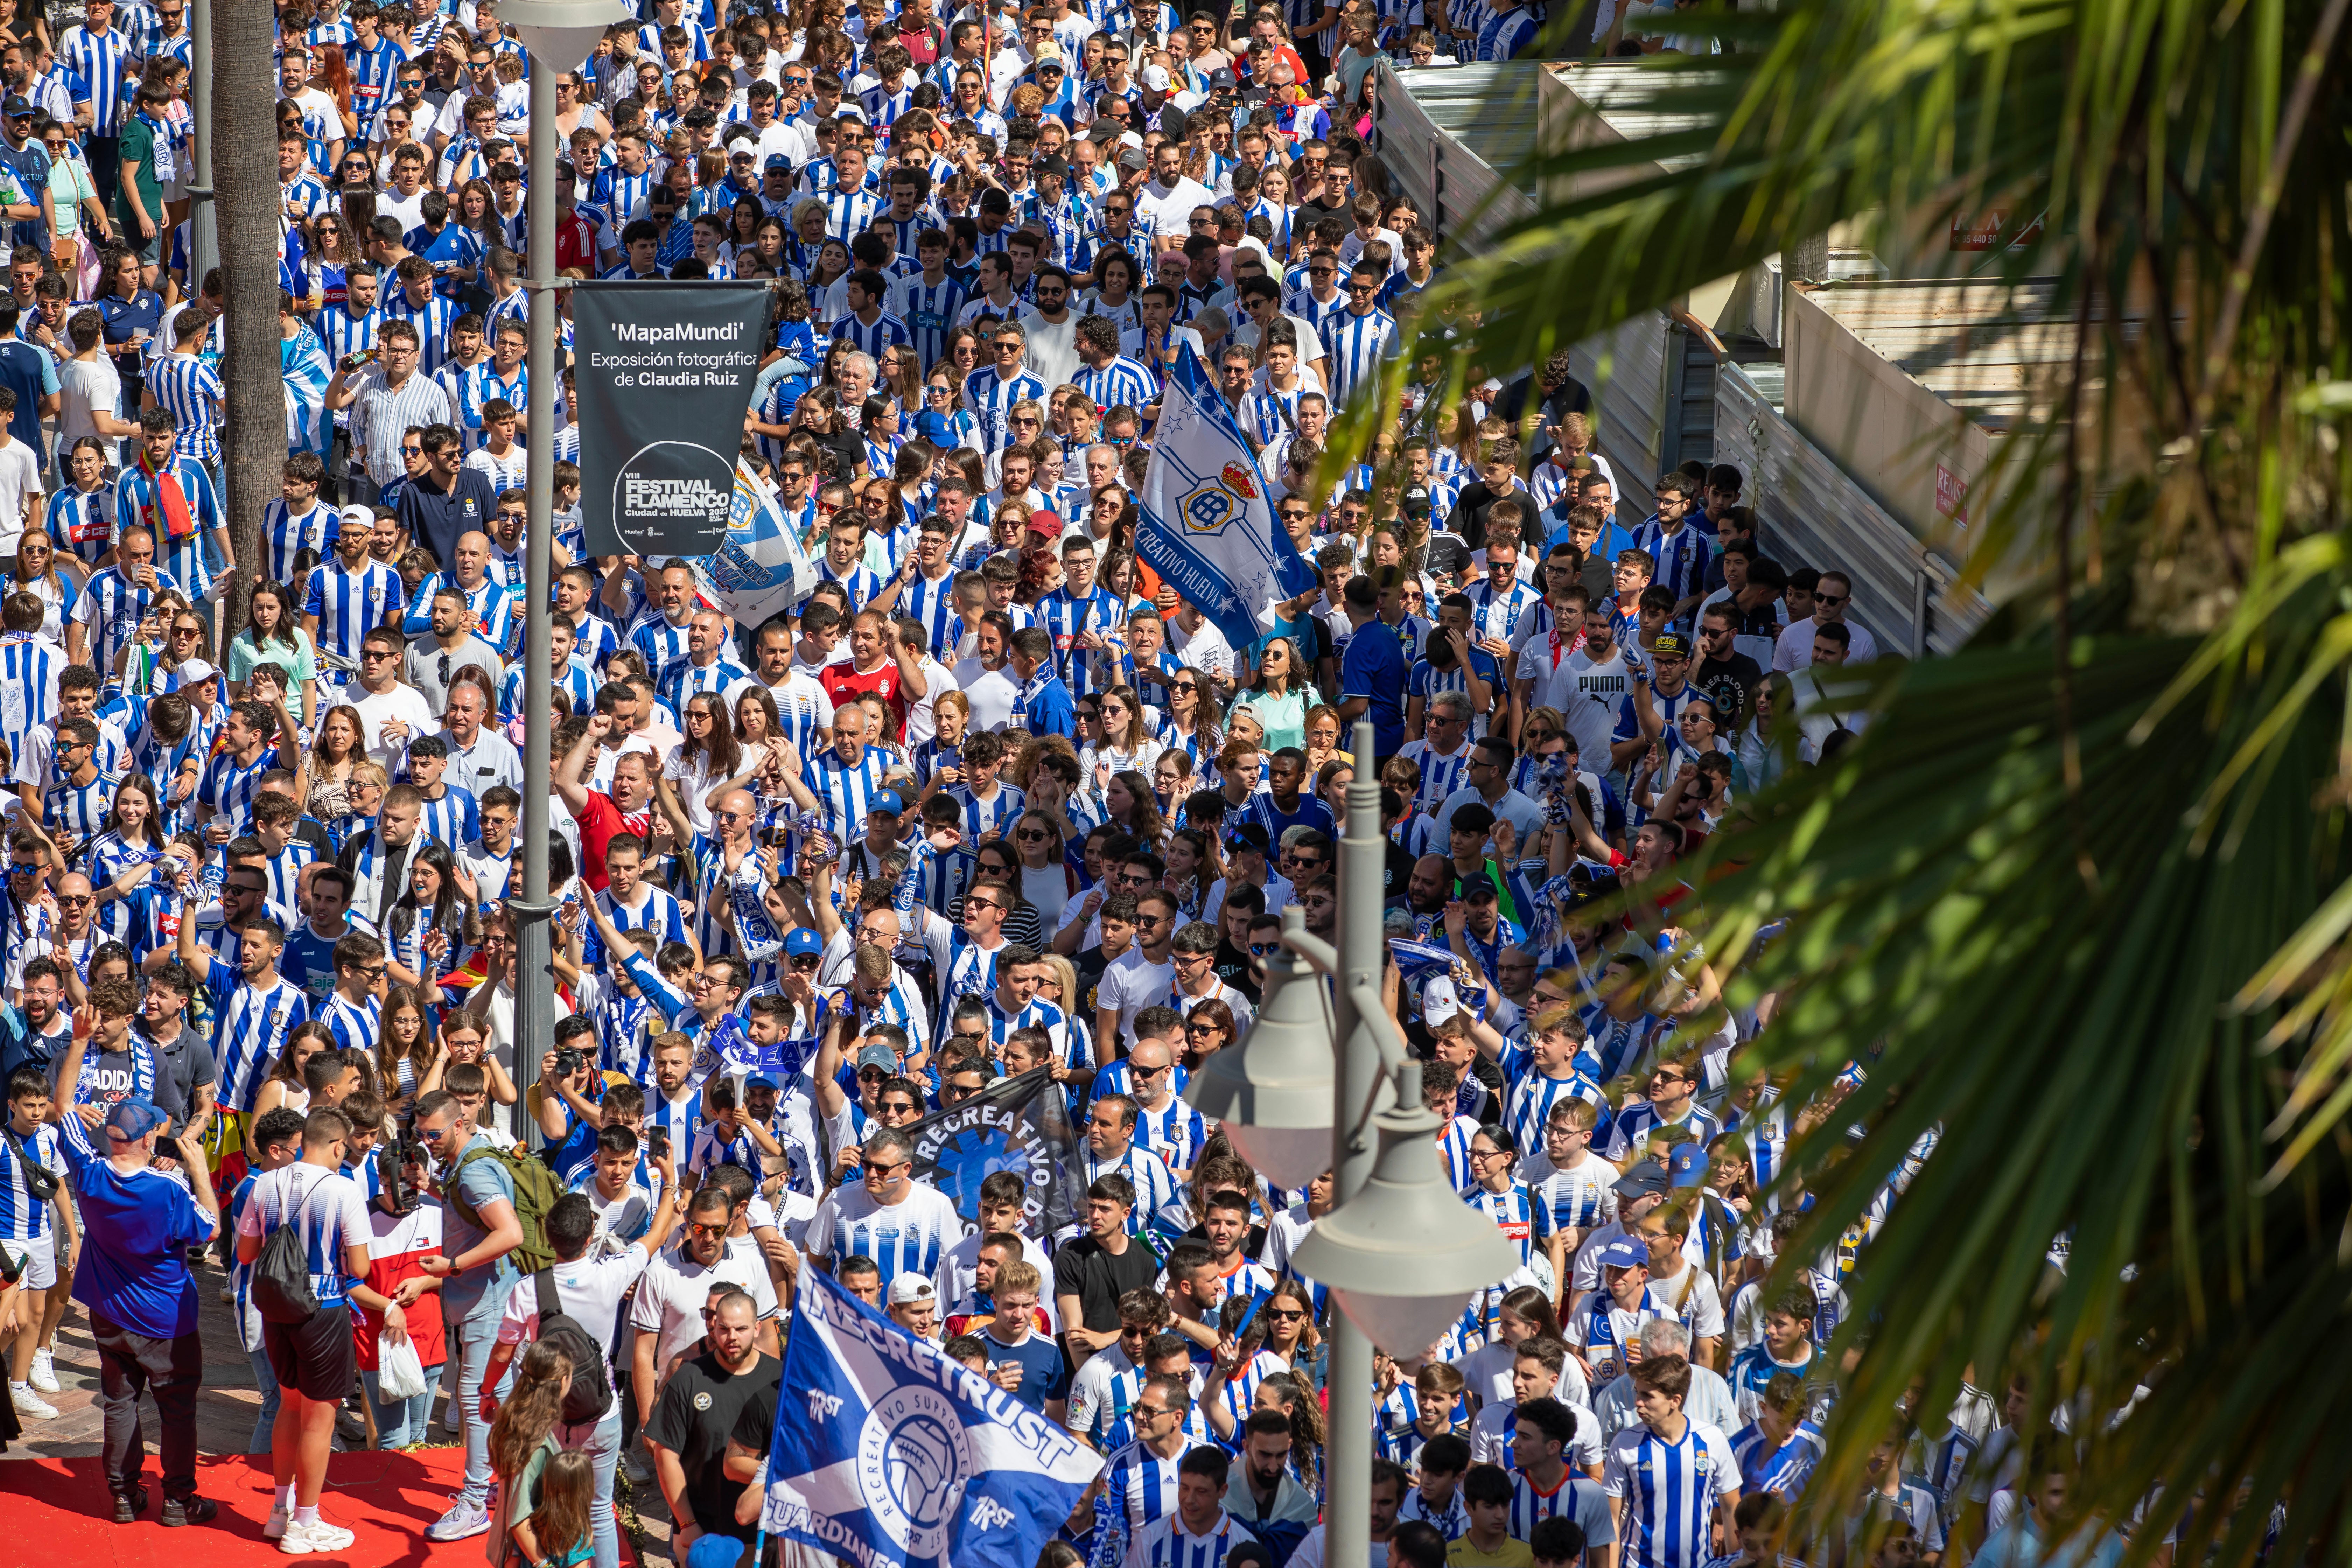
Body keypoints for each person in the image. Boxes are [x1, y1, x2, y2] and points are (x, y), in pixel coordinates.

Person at [46, 1092, 222, 1525]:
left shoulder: (90, 1174)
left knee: (120, 1403)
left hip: (109, 1314)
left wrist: (79, 1044)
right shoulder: (170, 1188)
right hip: (166, 1319)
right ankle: (179, 1500)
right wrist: (199, 1173)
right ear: (147, 1141)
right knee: (177, 1410)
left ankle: (125, 1494)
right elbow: (211, 1229)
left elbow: (64, 1108)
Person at [234, 1104, 372, 1554]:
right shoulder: (344, 1189)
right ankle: (306, 1523)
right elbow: (361, 1266)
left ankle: (279, 1513)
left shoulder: (264, 1182)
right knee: (320, 1419)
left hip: (276, 1310)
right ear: (336, 1145)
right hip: (324, 1311)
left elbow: (248, 1252)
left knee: (290, 1409)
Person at [646, 1287, 780, 1559]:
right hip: (702, 1534)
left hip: (762, 1536)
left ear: (757, 1328)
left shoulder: (781, 1380)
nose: (732, 1338)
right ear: (713, 1328)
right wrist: (687, 1524)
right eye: (724, 1329)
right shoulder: (689, 1378)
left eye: (741, 1329)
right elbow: (666, 1456)